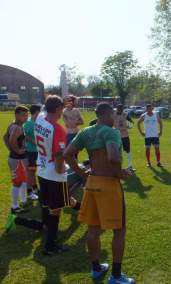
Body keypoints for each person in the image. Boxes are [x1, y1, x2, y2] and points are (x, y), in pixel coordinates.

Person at [64, 103, 135, 283]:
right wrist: (122, 174)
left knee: (93, 229)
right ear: (108, 114)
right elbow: (113, 157)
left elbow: (67, 154)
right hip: (109, 185)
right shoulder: (111, 132)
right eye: (112, 114)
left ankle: (96, 269)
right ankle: (116, 276)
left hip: (92, 183)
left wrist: (81, 174)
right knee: (119, 230)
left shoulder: (85, 132)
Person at [35, 95, 81, 255]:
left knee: (52, 202)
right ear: (56, 109)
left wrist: (60, 100)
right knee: (56, 209)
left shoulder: (40, 119)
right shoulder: (58, 129)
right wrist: (61, 171)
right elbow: (60, 155)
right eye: (61, 108)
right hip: (53, 173)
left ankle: (83, 209)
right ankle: (50, 246)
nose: (63, 111)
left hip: (41, 170)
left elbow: (44, 107)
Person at [3, 106, 30, 214]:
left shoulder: (15, 124)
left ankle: (23, 201)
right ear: (17, 115)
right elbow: (11, 139)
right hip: (17, 159)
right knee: (17, 182)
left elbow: (4, 138)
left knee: (23, 179)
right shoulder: (16, 127)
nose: (26, 117)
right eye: (23, 115)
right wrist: (17, 151)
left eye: (27, 115)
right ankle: (14, 207)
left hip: (18, 158)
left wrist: (11, 149)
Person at [23, 104, 42, 200]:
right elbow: (24, 135)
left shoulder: (39, 122)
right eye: (40, 111)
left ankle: (35, 189)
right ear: (36, 112)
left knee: (35, 171)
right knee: (31, 172)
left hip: (38, 151)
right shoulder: (28, 123)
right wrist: (35, 142)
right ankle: (29, 192)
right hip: (31, 152)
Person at [114, 104, 135, 171]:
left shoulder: (125, 114)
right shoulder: (113, 115)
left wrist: (130, 125)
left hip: (125, 135)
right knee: (116, 151)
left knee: (127, 150)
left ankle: (130, 165)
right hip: (116, 136)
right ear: (117, 108)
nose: (120, 110)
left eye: (122, 108)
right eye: (119, 108)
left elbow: (131, 122)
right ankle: (117, 166)